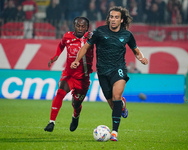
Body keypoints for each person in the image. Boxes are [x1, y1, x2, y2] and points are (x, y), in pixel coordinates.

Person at [71, 6, 148, 141]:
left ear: (121, 20)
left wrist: (141, 58)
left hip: (118, 69)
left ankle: (114, 133)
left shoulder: (127, 35)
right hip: (102, 71)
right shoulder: (99, 32)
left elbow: (135, 49)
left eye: (116, 17)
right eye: (111, 17)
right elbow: (85, 47)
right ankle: (122, 105)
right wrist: (77, 60)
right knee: (113, 105)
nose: (113, 19)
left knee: (117, 96)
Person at [44, 17, 94, 132]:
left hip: (83, 78)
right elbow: (61, 45)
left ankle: (75, 116)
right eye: (78, 26)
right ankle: (51, 122)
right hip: (69, 74)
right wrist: (55, 56)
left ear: (87, 27)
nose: (80, 28)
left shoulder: (91, 38)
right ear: (74, 25)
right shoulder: (67, 36)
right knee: (60, 91)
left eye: (83, 26)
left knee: (76, 104)